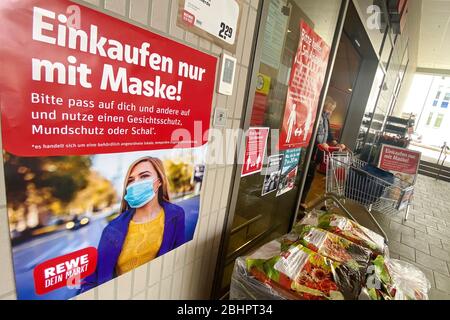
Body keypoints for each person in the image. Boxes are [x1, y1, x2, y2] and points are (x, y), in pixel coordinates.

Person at [80, 157, 185, 292]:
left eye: (144, 176)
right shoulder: (111, 229)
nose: (136, 183)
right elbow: (92, 278)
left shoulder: (176, 215)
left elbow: (179, 259)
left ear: (159, 182)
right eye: (131, 180)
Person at [300, 97, 345, 209]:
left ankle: (301, 200)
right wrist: (320, 143)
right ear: (324, 106)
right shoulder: (316, 117)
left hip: (317, 153)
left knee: (309, 177)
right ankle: (300, 201)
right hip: (311, 152)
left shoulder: (325, 119)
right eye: (329, 109)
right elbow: (311, 133)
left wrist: (336, 143)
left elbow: (328, 133)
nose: (330, 112)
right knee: (306, 176)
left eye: (332, 110)